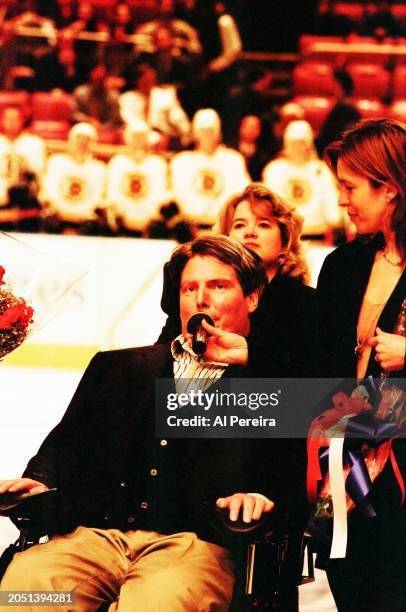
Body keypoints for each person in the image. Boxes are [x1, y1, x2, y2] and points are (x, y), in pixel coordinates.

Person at [0, 235, 307, 610]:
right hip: (93, 542)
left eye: (218, 286)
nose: (201, 298)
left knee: (153, 605)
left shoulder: (271, 382)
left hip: (190, 547)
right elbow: (66, 445)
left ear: (252, 298)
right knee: (23, 595)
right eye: (189, 287)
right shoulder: (119, 366)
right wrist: (41, 480)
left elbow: (295, 463)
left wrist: (259, 494)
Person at [315, 118, 406, 611]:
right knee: (349, 576)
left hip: (399, 460)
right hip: (343, 450)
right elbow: (317, 359)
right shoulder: (343, 264)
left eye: (350, 188)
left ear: (389, 189)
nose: (342, 200)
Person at [159, 183, 319, 378]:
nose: (249, 232)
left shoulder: (307, 303)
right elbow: (158, 364)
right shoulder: (194, 297)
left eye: (263, 224)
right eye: (239, 225)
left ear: (284, 242)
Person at [262, 119, 342, 242]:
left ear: (309, 144)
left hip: (317, 238)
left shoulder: (321, 170)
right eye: (293, 143)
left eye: (302, 143)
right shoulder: (274, 170)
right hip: (285, 240)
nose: (298, 148)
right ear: (286, 144)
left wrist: (334, 220)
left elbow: (333, 211)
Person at [170, 108, 250, 226]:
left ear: (218, 133)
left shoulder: (233, 160)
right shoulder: (181, 161)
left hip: (223, 228)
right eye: (202, 131)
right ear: (195, 133)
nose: (207, 135)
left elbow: (242, 193)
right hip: (191, 226)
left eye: (211, 131)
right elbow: (176, 194)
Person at [42, 122, 107, 234]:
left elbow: (97, 197)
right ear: (71, 140)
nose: (82, 143)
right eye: (79, 139)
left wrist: (80, 214)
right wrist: (62, 212)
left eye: (86, 140)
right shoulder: (57, 161)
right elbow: (49, 190)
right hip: (58, 214)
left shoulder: (99, 168)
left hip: (85, 217)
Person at [107, 120, 169, 236]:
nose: (138, 139)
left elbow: (160, 195)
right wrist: (120, 219)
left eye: (142, 136)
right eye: (135, 136)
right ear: (128, 138)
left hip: (150, 225)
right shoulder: (117, 162)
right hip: (122, 223)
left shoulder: (158, 164)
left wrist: (150, 220)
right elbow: (112, 194)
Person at [0, 105, 45, 232]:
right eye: (8, 118)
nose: (11, 122)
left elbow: (37, 175)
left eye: (15, 118)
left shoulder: (35, 143)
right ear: (2, 120)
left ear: (22, 121)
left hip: (25, 200)